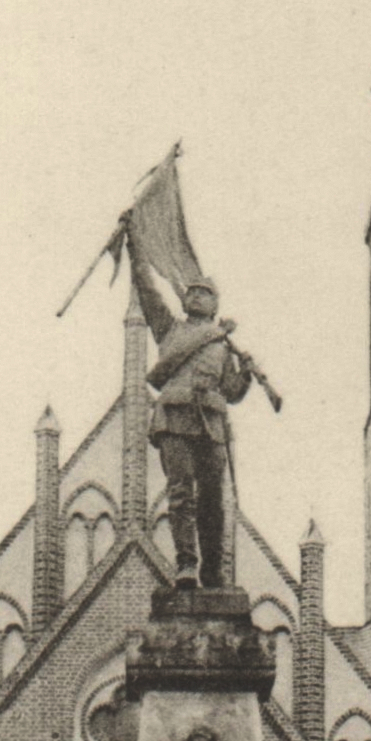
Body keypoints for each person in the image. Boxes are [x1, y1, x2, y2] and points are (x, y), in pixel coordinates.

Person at [124, 212, 253, 589]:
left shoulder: (221, 344)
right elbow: (148, 292)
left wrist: (244, 372)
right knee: (181, 495)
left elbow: (231, 391)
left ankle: (212, 571)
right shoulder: (171, 330)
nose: (198, 295)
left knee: (213, 501)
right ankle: (185, 565)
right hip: (174, 421)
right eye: (193, 292)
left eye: (206, 293)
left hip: (211, 426)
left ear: (215, 304)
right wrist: (134, 243)